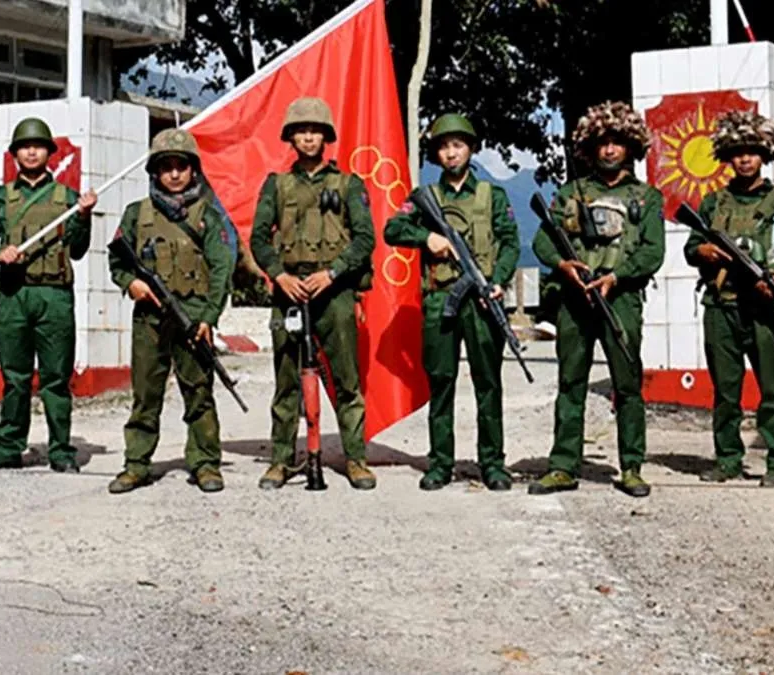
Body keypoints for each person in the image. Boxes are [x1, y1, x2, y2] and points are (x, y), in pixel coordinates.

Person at [529, 100, 664, 498]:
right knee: (570, 382)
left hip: (620, 300)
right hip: (575, 301)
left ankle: (632, 467)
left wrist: (616, 277)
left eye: (617, 142)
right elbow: (542, 240)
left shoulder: (646, 197)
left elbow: (652, 252)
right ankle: (563, 466)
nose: (609, 150)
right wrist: (563, 264)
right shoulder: (570, 193)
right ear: (590, 148)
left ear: (630, 147)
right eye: (602, 143)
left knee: (628, 384)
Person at [383, 113, 521, 491]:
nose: (451, 153)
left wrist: (497, 280)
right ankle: (440, 463)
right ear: (436, 154)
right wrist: (427, 239)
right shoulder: (426, 198)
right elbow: (393, 229)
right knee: (441, 383)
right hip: (440, 300)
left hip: (482, 301)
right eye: (444, 147)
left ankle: (492, 464)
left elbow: (510, 243)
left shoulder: (493, 196)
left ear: (471, 149)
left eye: (458, 145)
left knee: (488, 384)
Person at [249, 97, 377, 490]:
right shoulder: (276, 185)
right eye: (301, 131)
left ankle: (355, 459)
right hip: (289, 291)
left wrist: (333, 273)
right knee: (286, 380)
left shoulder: (348, 184)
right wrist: (278, 275)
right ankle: (280, 460)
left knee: (346, 380)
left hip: (334, 292)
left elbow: (365, 238)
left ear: (326, 137)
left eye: (315, 131)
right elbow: (259, 238)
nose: (308, 137)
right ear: (290, 137)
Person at [685, 110, 774, 488]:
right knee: (726, 391)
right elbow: (692, 247)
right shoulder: (713, 203)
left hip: (763, 307)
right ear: (727, 157)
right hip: (721, 306)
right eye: (738, 152)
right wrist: (704, 251)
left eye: (752, 152)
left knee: (773, 389)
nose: (745, 159)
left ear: (764, 156)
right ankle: (727, 459)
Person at [106, 128, 234, 493]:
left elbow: (221, 269)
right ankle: (136, 464)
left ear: (193, 170)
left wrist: (209, 318)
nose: (174, 174)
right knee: (146, 394)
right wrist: (131, 283)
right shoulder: (136, 214)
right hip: (150, 318)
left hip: (192, 318)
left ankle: (205, 463)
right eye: (166, 167)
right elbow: (117, 260)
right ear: (155, 172)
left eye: (181, 166)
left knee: (199, 392)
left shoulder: (208, 216)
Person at [0, 117, 96, 473]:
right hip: (14, 294)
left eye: (38, 146)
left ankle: (61, 450)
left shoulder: (67, 198)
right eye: (25, 146)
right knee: (15, 377)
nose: (31, 152)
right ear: (14, 154)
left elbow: (78, 250)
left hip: (54, 296)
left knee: (56, 378)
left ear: (49, 153)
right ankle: (9, 447)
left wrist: (84, 216)